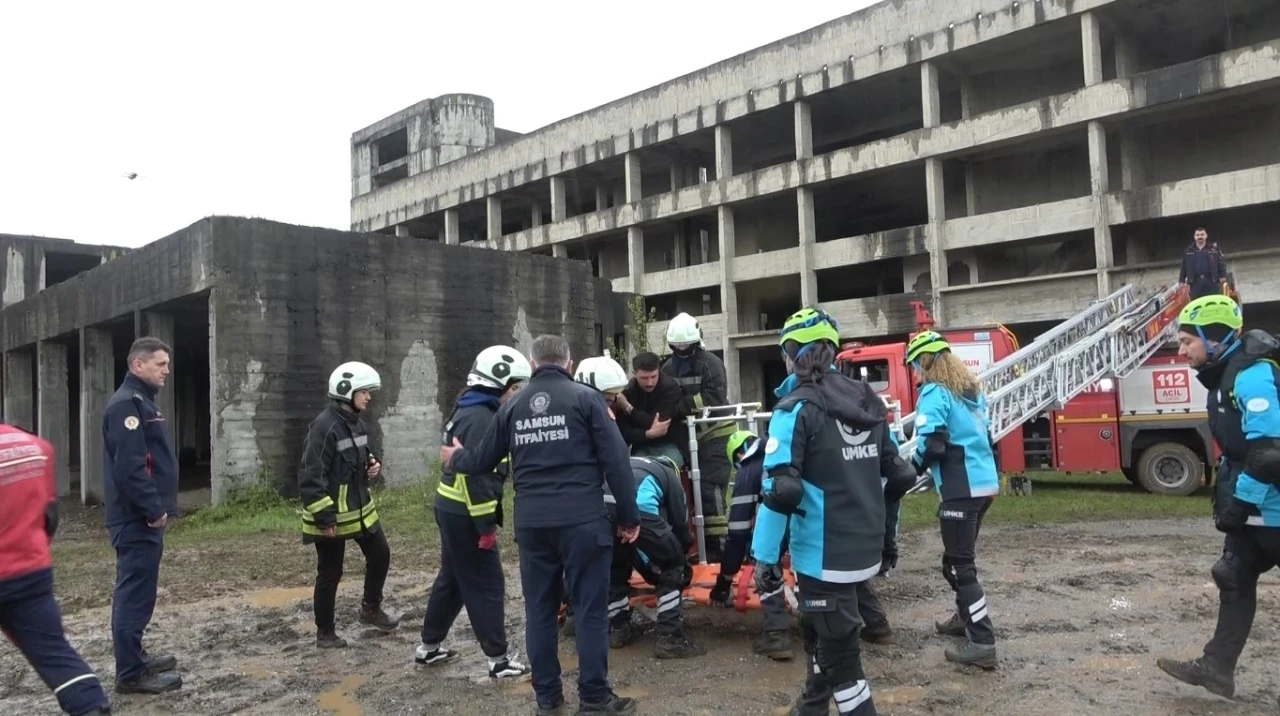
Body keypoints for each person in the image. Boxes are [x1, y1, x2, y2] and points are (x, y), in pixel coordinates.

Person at [441, 335, 641, 716]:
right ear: (569, 364)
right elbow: (616, 461)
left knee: (540, 611)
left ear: (532, 365)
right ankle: (594, 698)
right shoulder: (587, 400)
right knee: (590, 610)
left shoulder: (513, 406)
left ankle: (548, 699)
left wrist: (456, 458)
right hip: (583, 521)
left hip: (533, 525)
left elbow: (482, 459)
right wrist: (630, 517)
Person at [752, 307, 913, 716]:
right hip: (865, 550)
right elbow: (898, 476)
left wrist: (764, 559)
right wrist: (887, 539)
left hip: (822, 557)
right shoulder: (868, 401)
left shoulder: (794, 409)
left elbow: (781, 490)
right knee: (820, 636)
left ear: (791, 354)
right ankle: (810, 708)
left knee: (843, 665)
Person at [1156, 295, 1280, 699]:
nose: (1181, 351)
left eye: (1187, 341)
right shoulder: (1225, 374)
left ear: (1216, 338)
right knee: (1233, 577)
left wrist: (1240, 504)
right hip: (1256, 509)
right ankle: (1217, 668)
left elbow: (1269, 453)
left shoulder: (1253, 376)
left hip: (1271, 507)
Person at [715, 428, 911, 664]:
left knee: (766, 565)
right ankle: (878, 625)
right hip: (820, 516)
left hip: (784, 517)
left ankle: (776, 636)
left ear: (739, 455)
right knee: (840, 568)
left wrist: (725, 580)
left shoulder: (749, 468)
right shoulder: (794, 448)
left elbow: (738, 530)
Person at [417, 346, 532, 678]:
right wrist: (485, 528)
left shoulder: (469, 408)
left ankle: (429, 647)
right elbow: (478, 479)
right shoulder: (483, 419)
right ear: (498, 384)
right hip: (466, 513)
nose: (516, 394)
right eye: (514, 387)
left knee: (453, 580)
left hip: (452, 508)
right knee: (487, 583)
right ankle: (499, 660)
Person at [1, 423, 112, 715]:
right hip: (30, 572)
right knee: (53, 652)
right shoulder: (38, 447)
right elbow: (50, 516)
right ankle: (91, 704)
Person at [905, 329, 1000, 670]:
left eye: (915, 365)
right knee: (953, 563)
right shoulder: (970, 393)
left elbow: (932, 444)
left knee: (961, 567)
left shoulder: (934, 392)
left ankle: (982, 641)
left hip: (961, 489)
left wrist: (908, 471)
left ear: (925, 361)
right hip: (984, 486)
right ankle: (964, 617)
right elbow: (989, 438)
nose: (915, 372)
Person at [298, 361, 399, 650]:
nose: (369, 397)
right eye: (364, 391)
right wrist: (324, 517)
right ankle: (325, 633)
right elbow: (310, 475)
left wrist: (372, 463)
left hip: (360, 510)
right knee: (330, 572)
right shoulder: (323, 427)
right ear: (346, 391)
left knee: (380, 554)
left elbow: (360, 455)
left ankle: (370, 610)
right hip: (332, 516)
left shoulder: (357, 424)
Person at [103, 336, 181, 694]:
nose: (167, 371)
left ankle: (135, 657)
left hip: (142, 518)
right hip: (136, 519)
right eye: (160, 364)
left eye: (167, 364)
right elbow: (130, 467)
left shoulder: (142, 401)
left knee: (141, 593)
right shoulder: (127, 406)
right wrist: (153, 509)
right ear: (138, 365)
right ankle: (130, 674)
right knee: (133, 595)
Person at [662, 312, 732, 561]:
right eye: (677, 346)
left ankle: (718, 549)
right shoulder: (667, 368)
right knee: (689, 491)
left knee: (710, 490)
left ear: (696, 342)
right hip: (687, 438)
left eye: (686, 346)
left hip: (715, 433)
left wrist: (681, 406)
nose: (682, 351)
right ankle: (697, 546)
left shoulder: (711, 364)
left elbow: (714, 398)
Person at [615, 351, 685, 468]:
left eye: (653, 376)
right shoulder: (628, 391)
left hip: (669, 444)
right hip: (641, 446)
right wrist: (647, 434)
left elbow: (655, 423)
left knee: (667, 468)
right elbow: (624, 432)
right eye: (644, 378)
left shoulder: (670, 388)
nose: (650, 383)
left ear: (659, 371)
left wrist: (628, 407)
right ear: (634, 374)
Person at [1179, 227, 1228, 300]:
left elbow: (1221, 263)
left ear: (1206, 236)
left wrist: (1223, 275)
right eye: (1197, 235)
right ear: (1194, 237)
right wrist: (1181, 281)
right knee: (1196, 303)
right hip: (1195, 283)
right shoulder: (1188, 251)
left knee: (1212, 302)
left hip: (1211, 281)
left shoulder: (1214, 249)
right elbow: (1183, 266)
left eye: (1202, 234)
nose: (1200, 237)